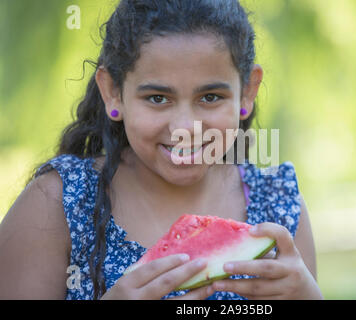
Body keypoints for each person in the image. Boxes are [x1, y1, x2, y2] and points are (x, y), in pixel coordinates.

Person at [0, 0, 323, 300]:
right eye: (157, 98)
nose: (184, 128)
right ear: (112, 92)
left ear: (247, 91)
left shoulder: (279, 202)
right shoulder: (57, 202)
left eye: (210, 97)